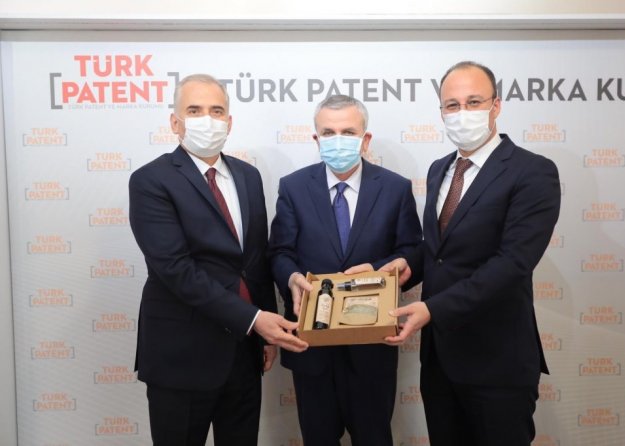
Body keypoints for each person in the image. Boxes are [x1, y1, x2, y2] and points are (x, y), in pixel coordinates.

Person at [382, 61, 561, 445]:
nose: (462, 113)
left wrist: (433, 309)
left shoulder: (533, 172)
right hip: (440, 360)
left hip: (497, 360)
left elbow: (513, 263)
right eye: (452, 105)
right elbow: (440, 250)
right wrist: (401, 267)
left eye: (474, 102)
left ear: (496, 105)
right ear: (441, 111)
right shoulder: (439, 169)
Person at [128, 74, 308, 446]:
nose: (207, 120)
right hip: (181, 355)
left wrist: (263, 332)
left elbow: (254, 261)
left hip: (243, 352)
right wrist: (255, 319)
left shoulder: (248, 176)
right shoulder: (150, 180)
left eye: (216, 111)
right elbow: (175, 269)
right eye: (194, 110)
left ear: (229, 121)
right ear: (175, 122)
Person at [268, 94, 422, 446]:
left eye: (348, 132)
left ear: (365, 139)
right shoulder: (293, 187)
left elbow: (413, 250)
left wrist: (381, 269)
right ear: (316, 139)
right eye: (328, 132)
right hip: (312, 348)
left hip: (372, 347)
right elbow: (279, 252)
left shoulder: (395, 188)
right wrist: (291, 277)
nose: (338, 139)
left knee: (374, 438)